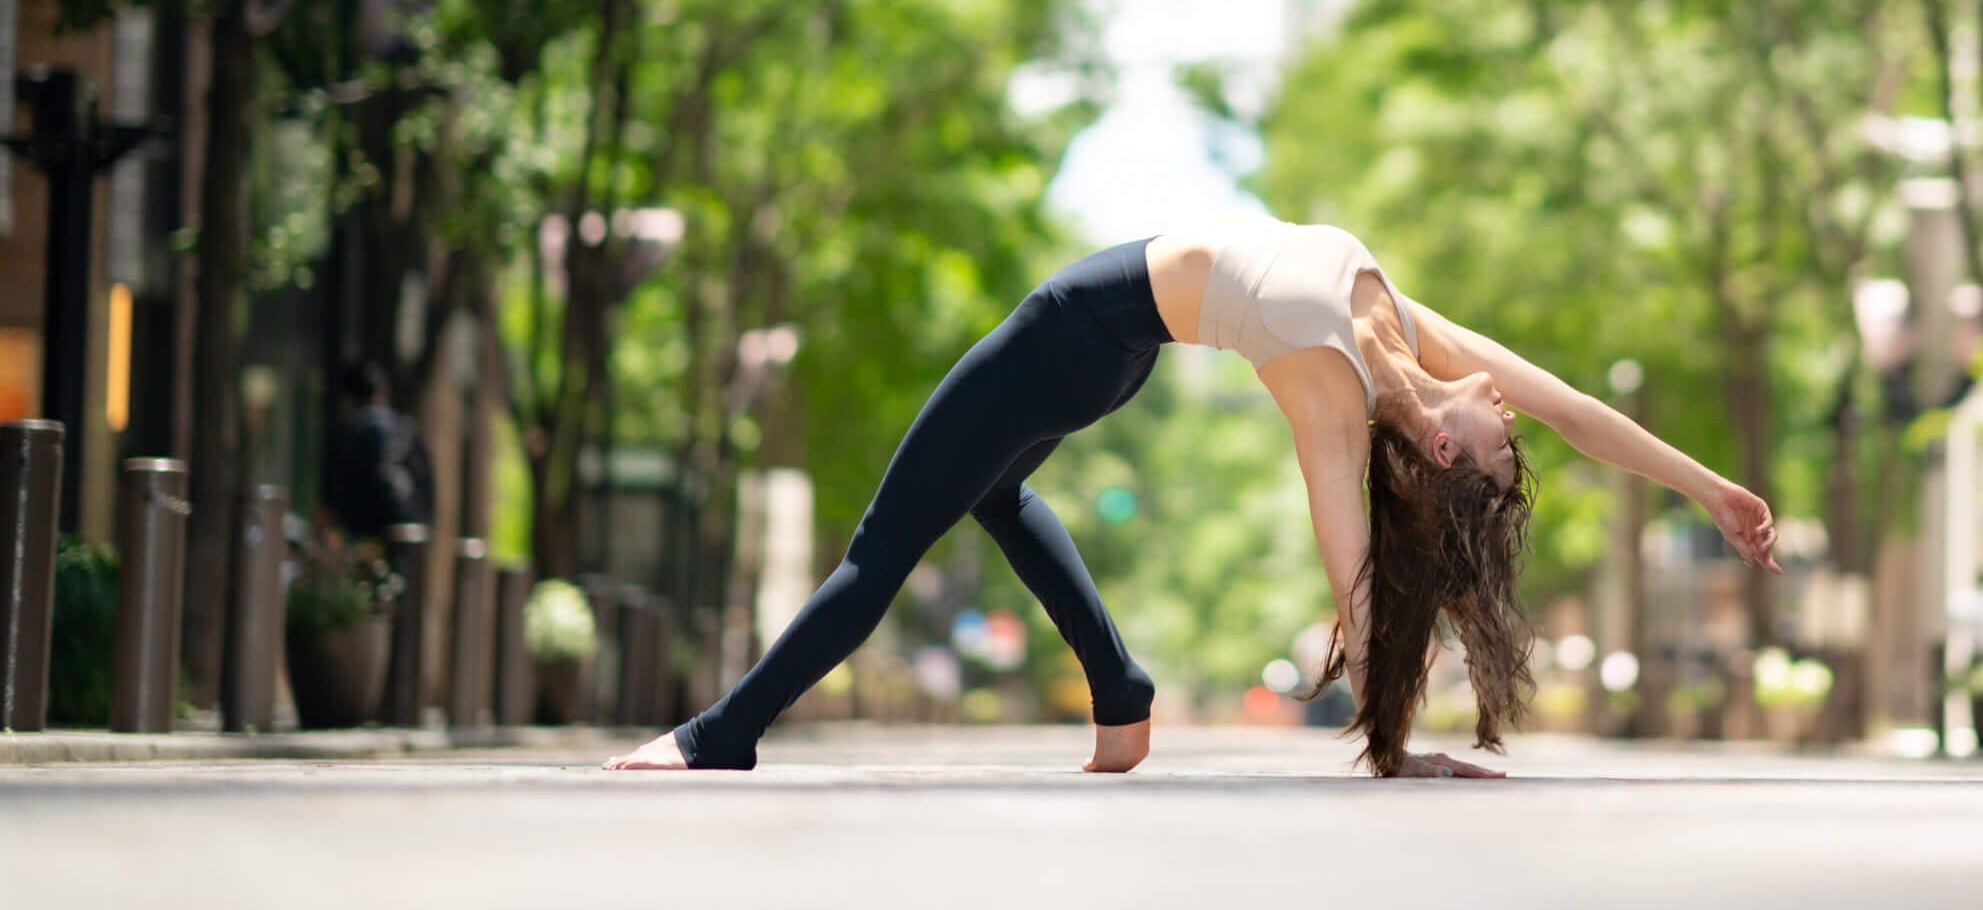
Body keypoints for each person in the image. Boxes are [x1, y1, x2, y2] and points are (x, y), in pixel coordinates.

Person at [604, 217, 1779, 779]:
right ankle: (1119, 687)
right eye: (1505, 440)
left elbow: (1352, 568)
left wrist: (1390, 740)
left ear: (1432, 444)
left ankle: (720, 735)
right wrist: (1714, 487)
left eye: (1494, 452)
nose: (1512, 429)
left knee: (884, 539)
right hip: (1113, 351)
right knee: (997, 496)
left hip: (1073, 334)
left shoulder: (1333, 382)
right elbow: (1574, 403)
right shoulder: (1407, 334)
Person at [321, 362, 433, 540]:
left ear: (348, 398)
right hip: (406, 537)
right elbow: (427, 486)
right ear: (382, 393)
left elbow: (335, 496)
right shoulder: (406, 430)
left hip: (363, 539)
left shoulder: (350, 434)